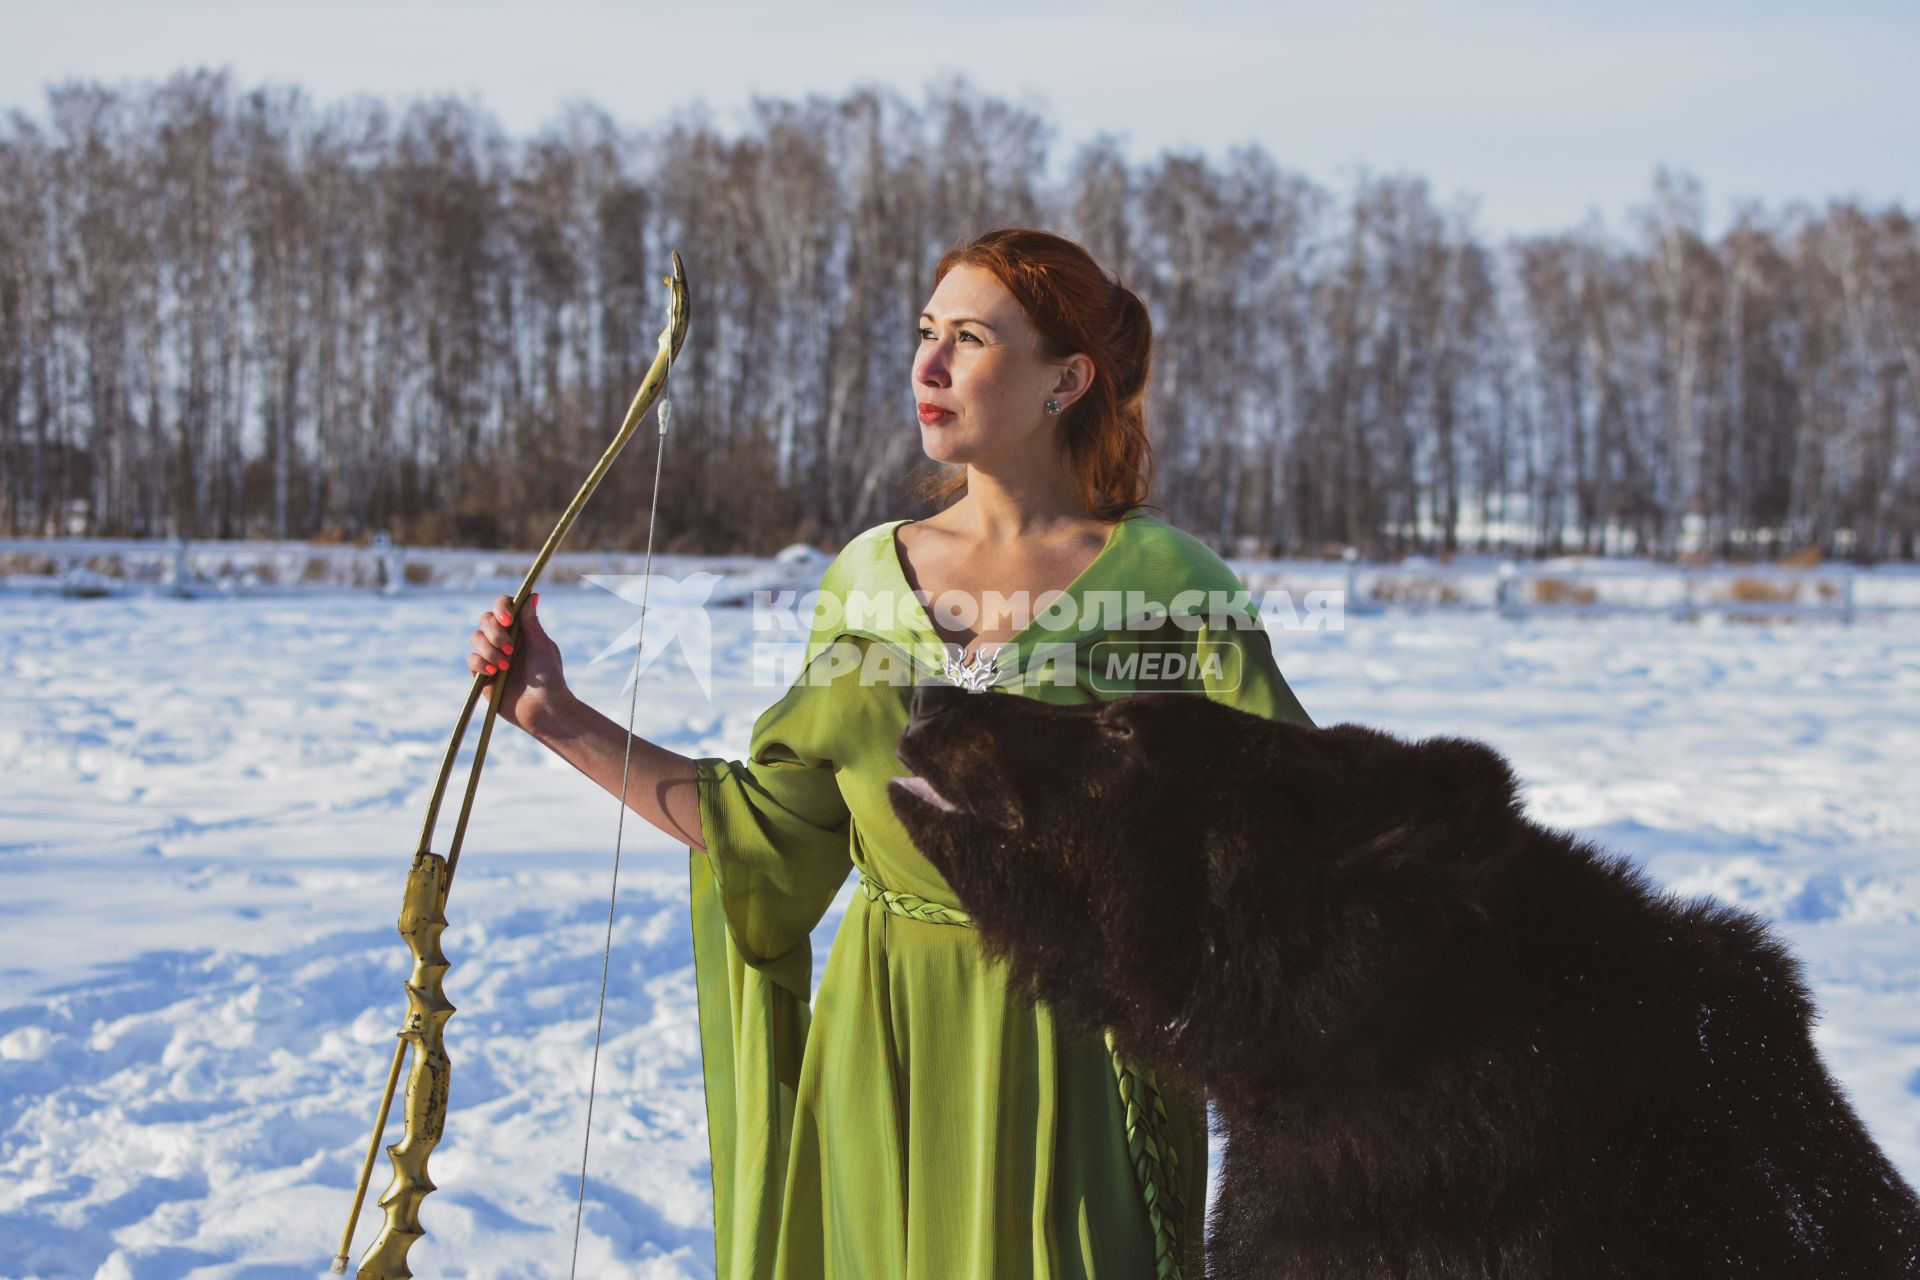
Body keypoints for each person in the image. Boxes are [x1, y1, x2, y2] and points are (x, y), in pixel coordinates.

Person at [467, 228, 1316, 1279]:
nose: (927, 365)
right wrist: (555, 712)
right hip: (883, 1052)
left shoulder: (1171, 584)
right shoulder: (866, 581)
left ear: (1067, 379)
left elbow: (1300, 833)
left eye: (968, 337)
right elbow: (771, 832)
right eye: (925, 332)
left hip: (1080, 1058)